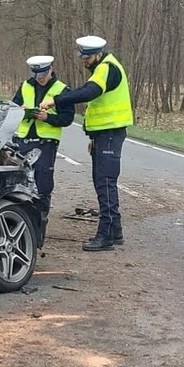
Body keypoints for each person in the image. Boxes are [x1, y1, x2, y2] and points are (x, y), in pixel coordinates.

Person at [40, 35, 132, 252]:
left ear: (98, 54)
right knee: (104, 180)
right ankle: (115, 230)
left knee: (105, 182)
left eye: (87, 57)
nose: (83, 61)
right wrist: (93, 137)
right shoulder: (104, 67)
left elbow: (90, 92)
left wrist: (57, 100)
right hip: (104, 135)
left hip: (110, 133)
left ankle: (106, 235)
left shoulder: (106, 68)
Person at [11, 56, 73, 246]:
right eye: (36, 74)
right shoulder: (25, 86)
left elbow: (67, 118)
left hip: (46, 142)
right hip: (22, 140)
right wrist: (20, 110)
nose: (40, 78)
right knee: (19, 183)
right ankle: (19, 226)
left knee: (43, 185)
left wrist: (47, 118)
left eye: (43, 74)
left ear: (51, 70)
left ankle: (39, 230)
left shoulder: (62, 90)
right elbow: (12, 108)